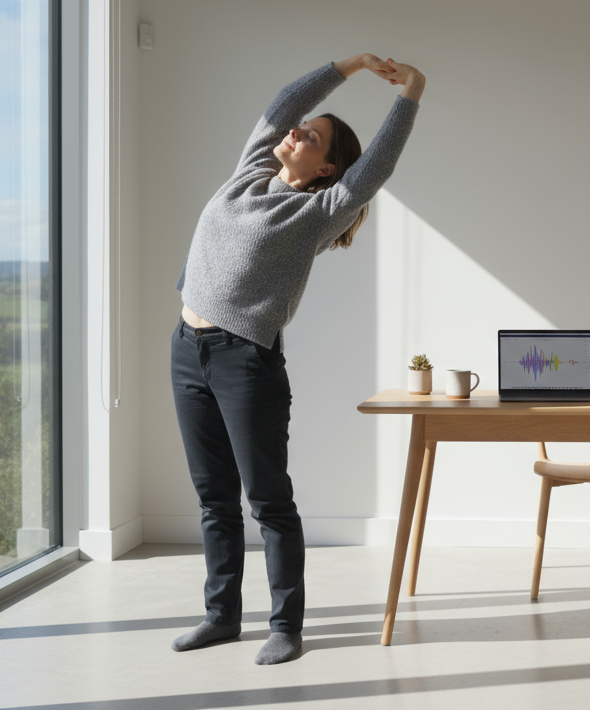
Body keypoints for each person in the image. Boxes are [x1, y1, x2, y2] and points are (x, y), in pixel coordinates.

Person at [169, 54, 424, 665]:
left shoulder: (318, 211)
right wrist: (352, 65)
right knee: (213, 499)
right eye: (301, 127)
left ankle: (286, 626)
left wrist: (412, 91)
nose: (295, 132)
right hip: (186, 348)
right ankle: (220, 617)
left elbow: (378, 164)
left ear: (328, 167)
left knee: (268, 501)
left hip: (244, 360)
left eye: (311, 136)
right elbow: (282, 103)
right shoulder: (249, 174)